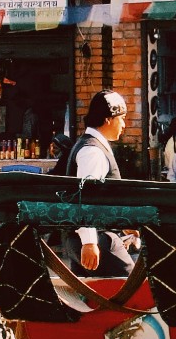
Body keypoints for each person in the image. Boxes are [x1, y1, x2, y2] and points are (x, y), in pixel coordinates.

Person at [55, 90, 134, 276]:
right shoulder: (93, 151)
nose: (124, 125)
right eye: (121, 118)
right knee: (135, 289)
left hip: (86, 238)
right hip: (96, 239)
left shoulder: (91, 144)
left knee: (93, 297)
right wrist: (90, 242)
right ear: (108, 119)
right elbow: (86, 197)